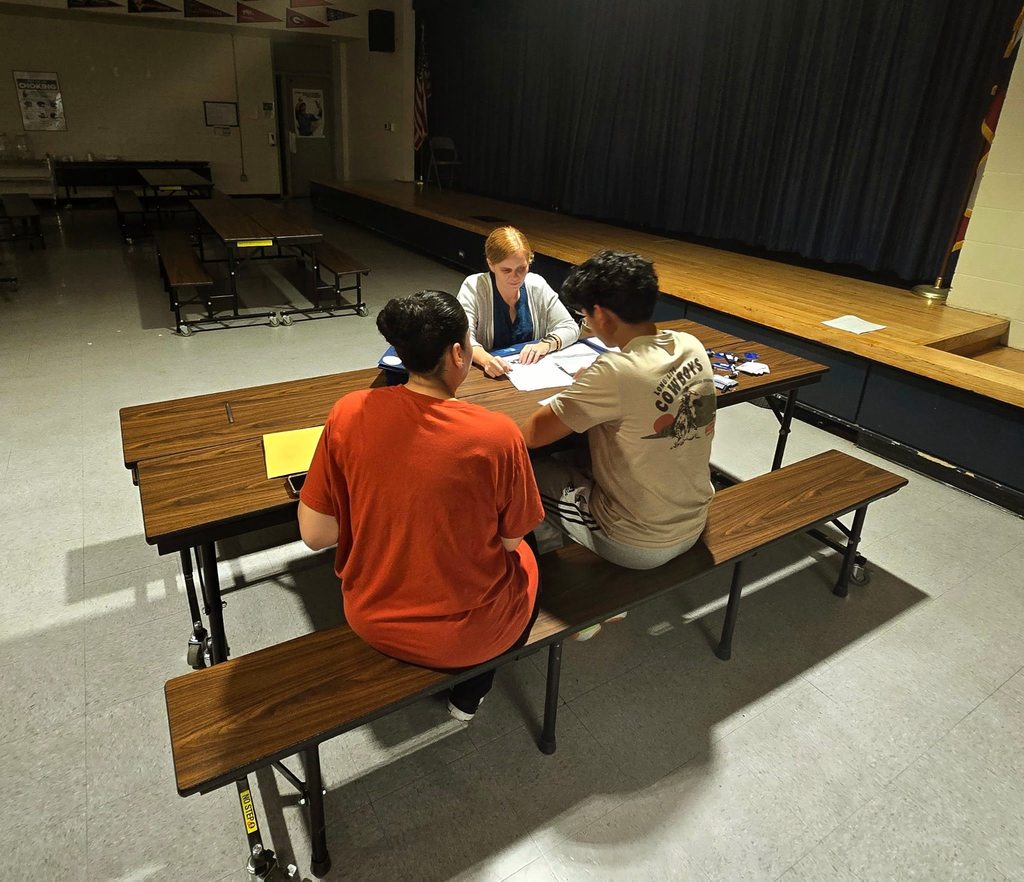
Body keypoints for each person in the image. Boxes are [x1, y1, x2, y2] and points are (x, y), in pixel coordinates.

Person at [298, 290, 544, 721]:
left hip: (373, 621)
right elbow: (509, 542)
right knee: (531, 549)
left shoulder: (349, 411)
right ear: (457, 353)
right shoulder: (497, 434)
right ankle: (470, 694)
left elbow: (316, 534)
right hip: (473, 637)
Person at [522, 251, 716, 636]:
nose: (587, 324)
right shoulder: (690, 344)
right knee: (585, 454)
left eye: (585, 317)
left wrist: (590, 381)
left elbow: (531, 434)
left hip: (638, 543)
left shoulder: (614, 372)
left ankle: (581, 597)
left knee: (527, 472)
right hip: (694, 522)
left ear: (603, 315)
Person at [457, 226, 580, 378]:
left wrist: (545, 344)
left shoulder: (537, 285)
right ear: (490, 264)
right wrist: (486, 360)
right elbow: (463, 337)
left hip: (531, 374)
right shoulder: (474, 287)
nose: (515, 277)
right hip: (490, 376)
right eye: (506, 270)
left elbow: (570, 327)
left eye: (521, 268)